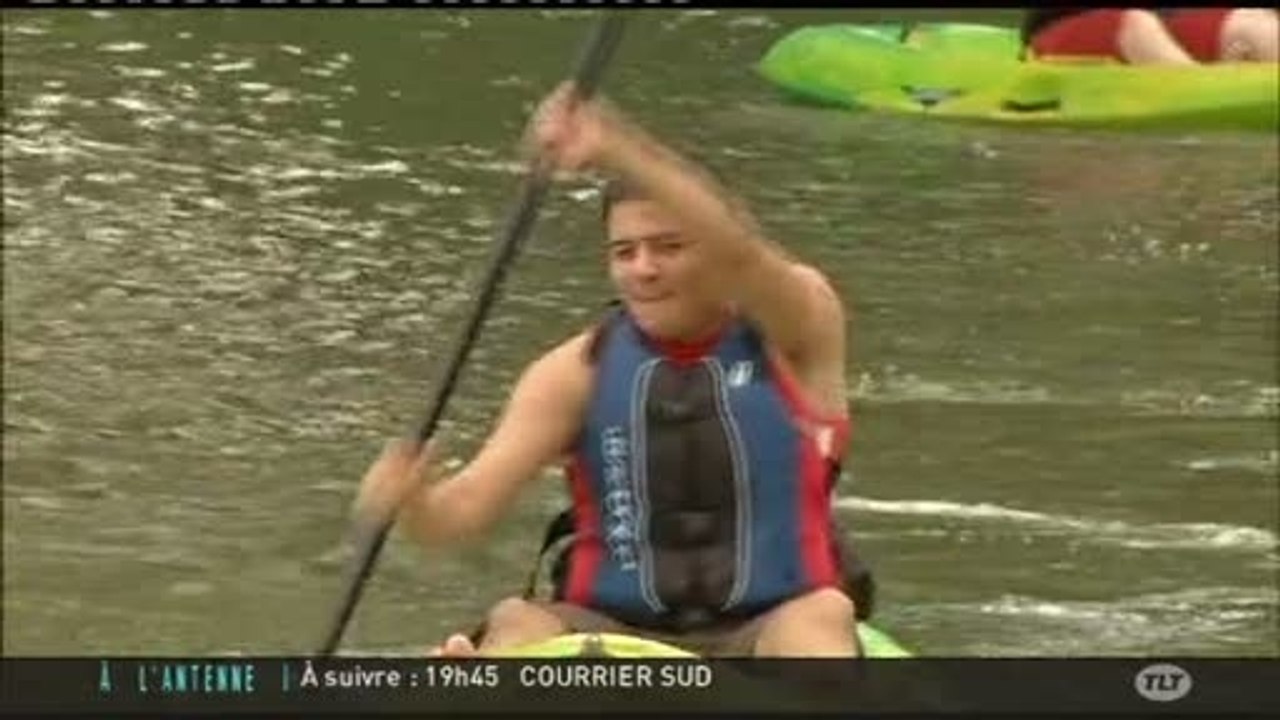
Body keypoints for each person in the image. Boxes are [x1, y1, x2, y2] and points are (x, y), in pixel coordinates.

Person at [354, 83, 869, 658]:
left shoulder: (794, 325)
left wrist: (615, 147)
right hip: (610, 630)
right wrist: (411, 504)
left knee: (823, 616)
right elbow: (463, 514)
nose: (642, 270)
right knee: (516, 619)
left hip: (769, 627)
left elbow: (740, 250)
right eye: (624, 252)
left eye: (668, 246)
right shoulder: (573, 371)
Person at [1022, 8, 1279, 65]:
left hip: (1168, 18)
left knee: (1257, 24)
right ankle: (1207, 85)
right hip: (1068, 21)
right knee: (1139, 24)